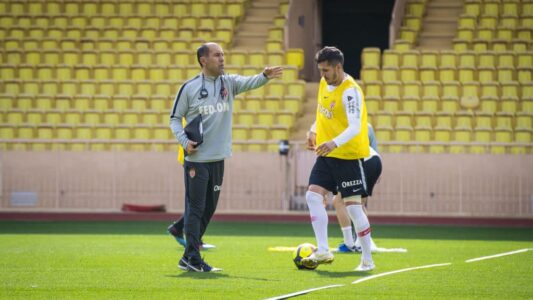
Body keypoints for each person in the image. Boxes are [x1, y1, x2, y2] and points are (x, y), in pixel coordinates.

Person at [170, 42, 282, 272]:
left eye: (223, 55)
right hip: (197, 160)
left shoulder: (228, 83)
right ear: (203, 60)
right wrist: (184, 141)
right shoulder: (189, 87)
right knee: (195, 208)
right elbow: (174, 118)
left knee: (209, 209)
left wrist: (264, 76)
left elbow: (250, 82)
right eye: (217, 55)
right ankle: (192, 257)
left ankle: (188, 255)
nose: (222, 58)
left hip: (219, 158)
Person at [301, 46, 375, 271]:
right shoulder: (325, 83)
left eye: (326, 70)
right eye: (320, 70)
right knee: (313, 196)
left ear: (338, 67)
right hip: (327, 155)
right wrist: (313, 129)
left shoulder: (350, 91)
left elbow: (354, 127)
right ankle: (323, 250)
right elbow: (322, 111)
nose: (322, 75)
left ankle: (367, 260)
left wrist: (333, 142)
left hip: (348, 156)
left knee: (353, 208)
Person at [308, 123, 381, 253]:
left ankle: (352, 243)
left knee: (344, 202)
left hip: (363, 160)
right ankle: (359, 243)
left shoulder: (332, 128)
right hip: (369, 159)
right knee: (354, 203)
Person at [166, 145, 216, 250]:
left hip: (195, 155)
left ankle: (179, 229)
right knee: (198, 202)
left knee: (199, 201)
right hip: (193, 155)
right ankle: (192, 238)